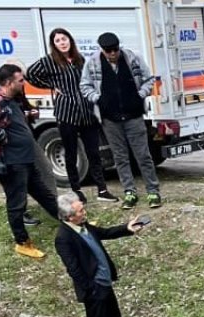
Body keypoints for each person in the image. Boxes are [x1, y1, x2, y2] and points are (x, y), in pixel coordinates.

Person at [53, 193, 145, 317]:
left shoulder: (83, 226)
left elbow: (103, 233)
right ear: (69, 217)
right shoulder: (64, 237)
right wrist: (92, 289)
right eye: (80, 211)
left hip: (104, 284)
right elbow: (74, 269)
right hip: (95, 290)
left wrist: (126, 229)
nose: (84, 212)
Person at [25, 28, 117, 204]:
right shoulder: (49, 61)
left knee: (93, 152)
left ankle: (102, 189)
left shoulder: (79, 59)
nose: (62, 43)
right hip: (67, 113)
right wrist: (50, 85)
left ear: (70, 40)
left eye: (64, 39)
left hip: (86, 112)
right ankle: (76, 190)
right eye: (58, 40)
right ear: (54, 44)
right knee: (71, 152)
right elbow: (30, 75)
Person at [0, 64, 60, 259]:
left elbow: (9, 120)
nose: (24, 83)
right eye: (20, 80)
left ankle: (72, 222)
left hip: (25, 159)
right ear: (8, 82)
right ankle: (22, 242)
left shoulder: (10, 99)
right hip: (12, 162)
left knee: (45, 195)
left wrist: (26, 116)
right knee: (17, 203)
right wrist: (3, 137)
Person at [80, 33, 161, 210]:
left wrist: (140, 95)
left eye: (115, 49)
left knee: (143, 155)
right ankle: (129, 192)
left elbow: (149, 79)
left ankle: (153, 190)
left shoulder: (133, 58)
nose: (113, 53)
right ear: (102, 50)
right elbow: (85, 86)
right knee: (120, 157)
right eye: (109, 51)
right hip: (110, 119)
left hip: (134, 116)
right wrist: (98, 99)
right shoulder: (92, 62)